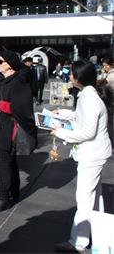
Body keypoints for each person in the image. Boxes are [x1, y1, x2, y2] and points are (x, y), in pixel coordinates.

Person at [52, 61, 113, 253]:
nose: (69, 76)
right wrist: (63, 114)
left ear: (78, 77)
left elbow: (87, 131)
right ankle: (97, 233)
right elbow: (83, 118)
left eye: (71, 73)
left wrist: (60, 132)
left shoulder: (88, 99)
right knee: (94, 195)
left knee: (85, 198)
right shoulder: (88, 95)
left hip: (92, 154)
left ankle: (77, 242)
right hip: (96, 153)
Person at [0, 50, 36, 212]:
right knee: (10, 161)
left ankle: (3, 197)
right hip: (1, 126)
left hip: (11, 129)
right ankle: (14, 192)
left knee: (5, 163)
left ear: (10, 65)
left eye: (1, 62)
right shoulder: (2, 80)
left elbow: (21, 109)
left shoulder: (18, 82)